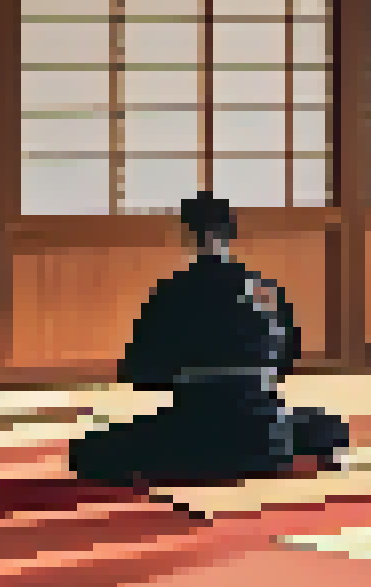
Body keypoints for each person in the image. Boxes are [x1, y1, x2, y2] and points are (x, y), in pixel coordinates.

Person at [66, 191, 350, 486]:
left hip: (193, 429)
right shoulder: (265, 289)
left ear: (188, 235)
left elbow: (139, 371)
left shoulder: (172, 291)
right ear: (233, 233)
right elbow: (286, 359)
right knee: (326, 424)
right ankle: (275, 455)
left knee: (91, 447)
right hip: (264, 430)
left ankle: (188, 460)